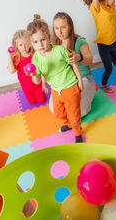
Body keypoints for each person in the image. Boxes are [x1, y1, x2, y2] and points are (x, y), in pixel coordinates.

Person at [26, 14, 84, 143]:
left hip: (70, 86)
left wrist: (80, 81)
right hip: (55, 89)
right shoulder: (35, 58)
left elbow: (73, 63)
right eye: (35, 42)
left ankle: (77, 132)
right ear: (31, 43)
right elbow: (37, 80)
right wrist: (34, 74)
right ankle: (69, 124)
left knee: (74, 114)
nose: (40, 44)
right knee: (58, 113)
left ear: (49, 37)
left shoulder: (60, 50)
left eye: (43, 40)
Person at [74, 0, 116, 93]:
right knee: (109, 69)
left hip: (114, 43)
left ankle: (112, 60)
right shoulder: (97, 8)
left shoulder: (111, 5)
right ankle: (104, 84)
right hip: (104, 46)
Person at [50, 11, 95, 117]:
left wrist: (79, 58)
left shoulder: (79, 41)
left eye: (63, 27)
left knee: (77, 111)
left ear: (70, 26)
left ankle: (88, 100)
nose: (60, 32)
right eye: (56, 28)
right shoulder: (55, 44)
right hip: (65, 83)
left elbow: (90, 59)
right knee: (54, 109)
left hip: (83, 80)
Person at [7, 29, 46, 104]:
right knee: (31, 102)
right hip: (26, 87)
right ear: (16, 46)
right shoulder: (16, 58)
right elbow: (12, 71)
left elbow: (42, 68)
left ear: (30, 43)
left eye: (26, 44)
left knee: (42, 101)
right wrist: (9, 55)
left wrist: (43, 82)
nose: (24, 47)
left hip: (37, 84)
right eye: (20, 45)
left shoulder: (34, 55)